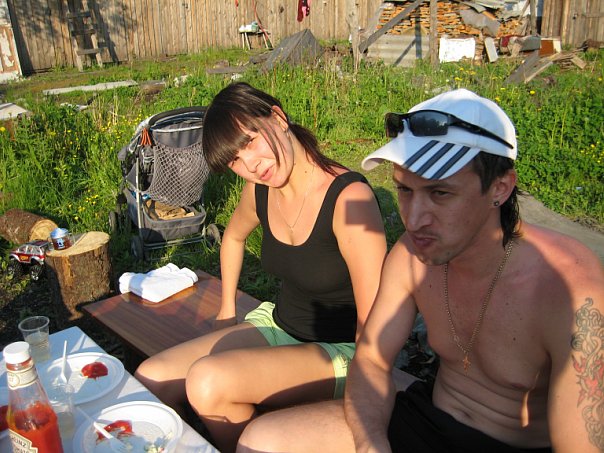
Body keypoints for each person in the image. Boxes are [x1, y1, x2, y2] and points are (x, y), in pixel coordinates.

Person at [236, 88, 604, 453]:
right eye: (405, 190)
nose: (413, 220)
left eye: (440, 194)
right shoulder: (412, 255)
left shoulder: (569, 290)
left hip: (512, 443)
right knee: (262, 440)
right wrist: (370, 442)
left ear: (500, 188)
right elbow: (371, 360)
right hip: (428, 417)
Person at [134, 82, 387, 452]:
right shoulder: (261, 190)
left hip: (344, 350)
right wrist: (226, 310)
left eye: (250, 142)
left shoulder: (350, 199)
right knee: (151, 377)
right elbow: (233, 238)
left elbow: (376, 318)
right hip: (279, 325)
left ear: (279, 118)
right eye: (234, 161)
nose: (250, 165)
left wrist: (366, 395)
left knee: (207, 381)